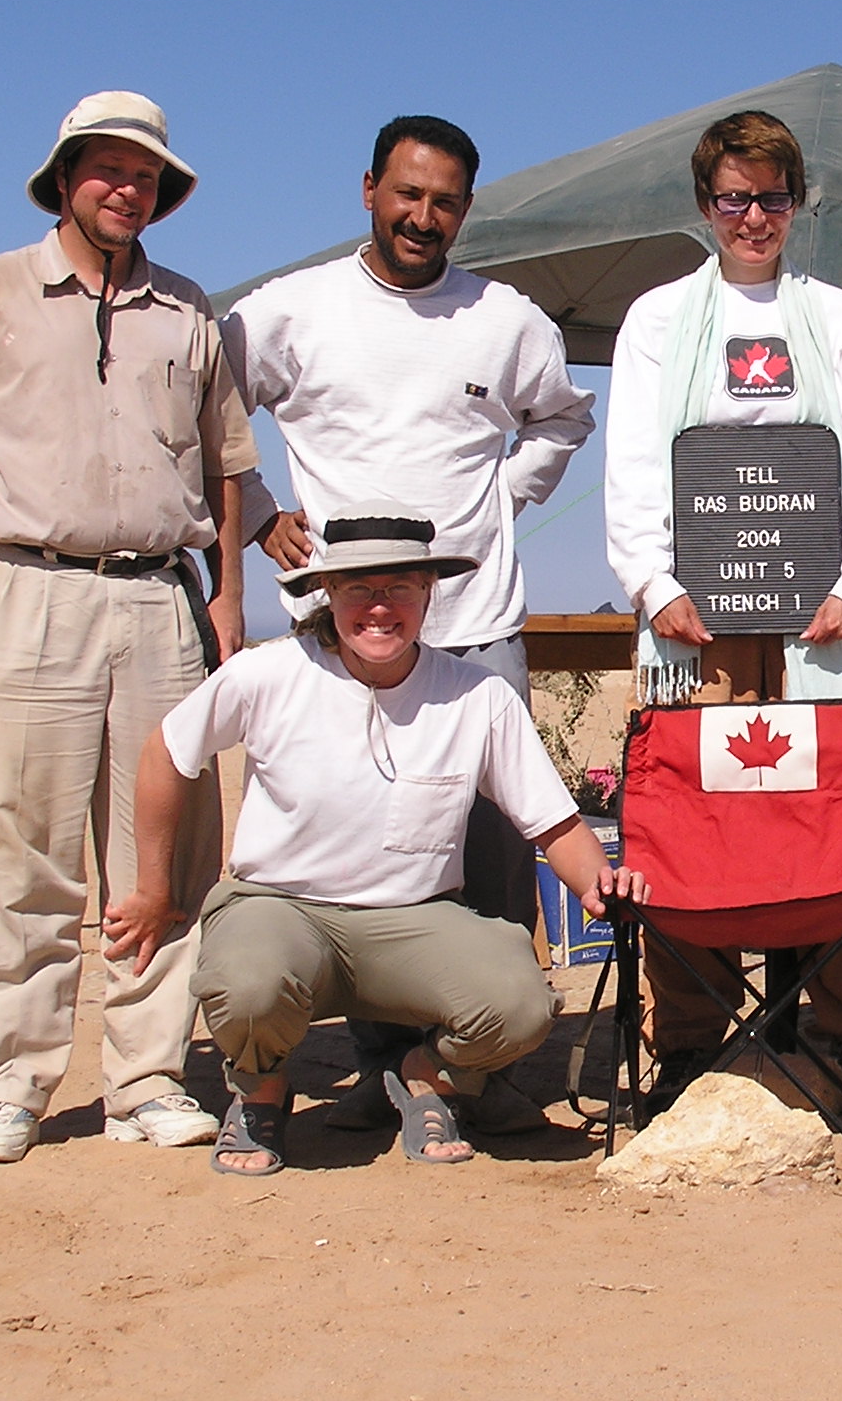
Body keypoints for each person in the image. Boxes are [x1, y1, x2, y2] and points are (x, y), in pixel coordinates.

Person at [0, 91, 254, 1163]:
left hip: (163, 598)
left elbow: (227, 466)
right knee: (20, 846)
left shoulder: (192, 310)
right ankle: (11, 1082)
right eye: (107, 169)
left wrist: (227, 595)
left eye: (146, 174)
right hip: (29, 594)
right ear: (65, 176)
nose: (127, 188)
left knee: (164, 851)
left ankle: (147, 1077)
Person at [226, 115, 596, 1129]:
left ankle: (478, 1067)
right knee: (362, 849)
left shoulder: (505, 317)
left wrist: (504, 499)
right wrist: (260, 516)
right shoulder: (291, 310)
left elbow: (564, 417)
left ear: (465, 211)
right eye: (406, 194)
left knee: (492, 854)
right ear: (367, 191)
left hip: (475, 624)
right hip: (341, 637)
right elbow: (207, 405)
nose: (422, 216)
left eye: (443, 202)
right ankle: (384, 1065)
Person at [124, 505, 648, 1175]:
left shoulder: (477, 695)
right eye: (360, 589)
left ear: (429, 594)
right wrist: (152, 888)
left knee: (520, 1005)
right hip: (280, 908)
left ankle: (426, 1075)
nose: (381, 608)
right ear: (328, 595)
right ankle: (259, 1091)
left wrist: (599, 885)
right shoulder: (269, 674)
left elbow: (553, 822)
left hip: (416, 921)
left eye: (400, 588)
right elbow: (164, 753)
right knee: (245, 984)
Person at [603, 110, 842, 1113]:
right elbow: (636, 465)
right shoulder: (655, 320)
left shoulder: (838, 318)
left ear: (795, 203)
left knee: (830, 809)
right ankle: (689, 1042)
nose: (752, 217)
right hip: (699, 617)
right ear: (705, 206)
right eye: (733, 198)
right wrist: (654, 585)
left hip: (821, 615)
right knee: (701, 816)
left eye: (771, 198)